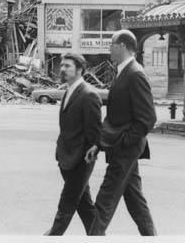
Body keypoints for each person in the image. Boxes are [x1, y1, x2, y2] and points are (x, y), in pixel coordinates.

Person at [84, 30, 157, 236]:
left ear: (122, 46)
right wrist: (99, 144)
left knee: (105, 200)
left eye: (111, 44)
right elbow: (116, 117)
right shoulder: (124, 71)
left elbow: (147, 119)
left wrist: (125, 142)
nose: (109, 49)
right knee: (135, 200)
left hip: (125, 149)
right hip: (122, 146)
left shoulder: (135, 73)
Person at [44, 53, 102, 235]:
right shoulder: (68, 91)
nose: (62, 69)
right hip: (65, 158)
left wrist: (91, 153)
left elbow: (95, 133)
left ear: (80, 70)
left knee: (66, 205)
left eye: (67, 66)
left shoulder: (89, 94)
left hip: (80, 161)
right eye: (62, 66)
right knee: (86, 208)